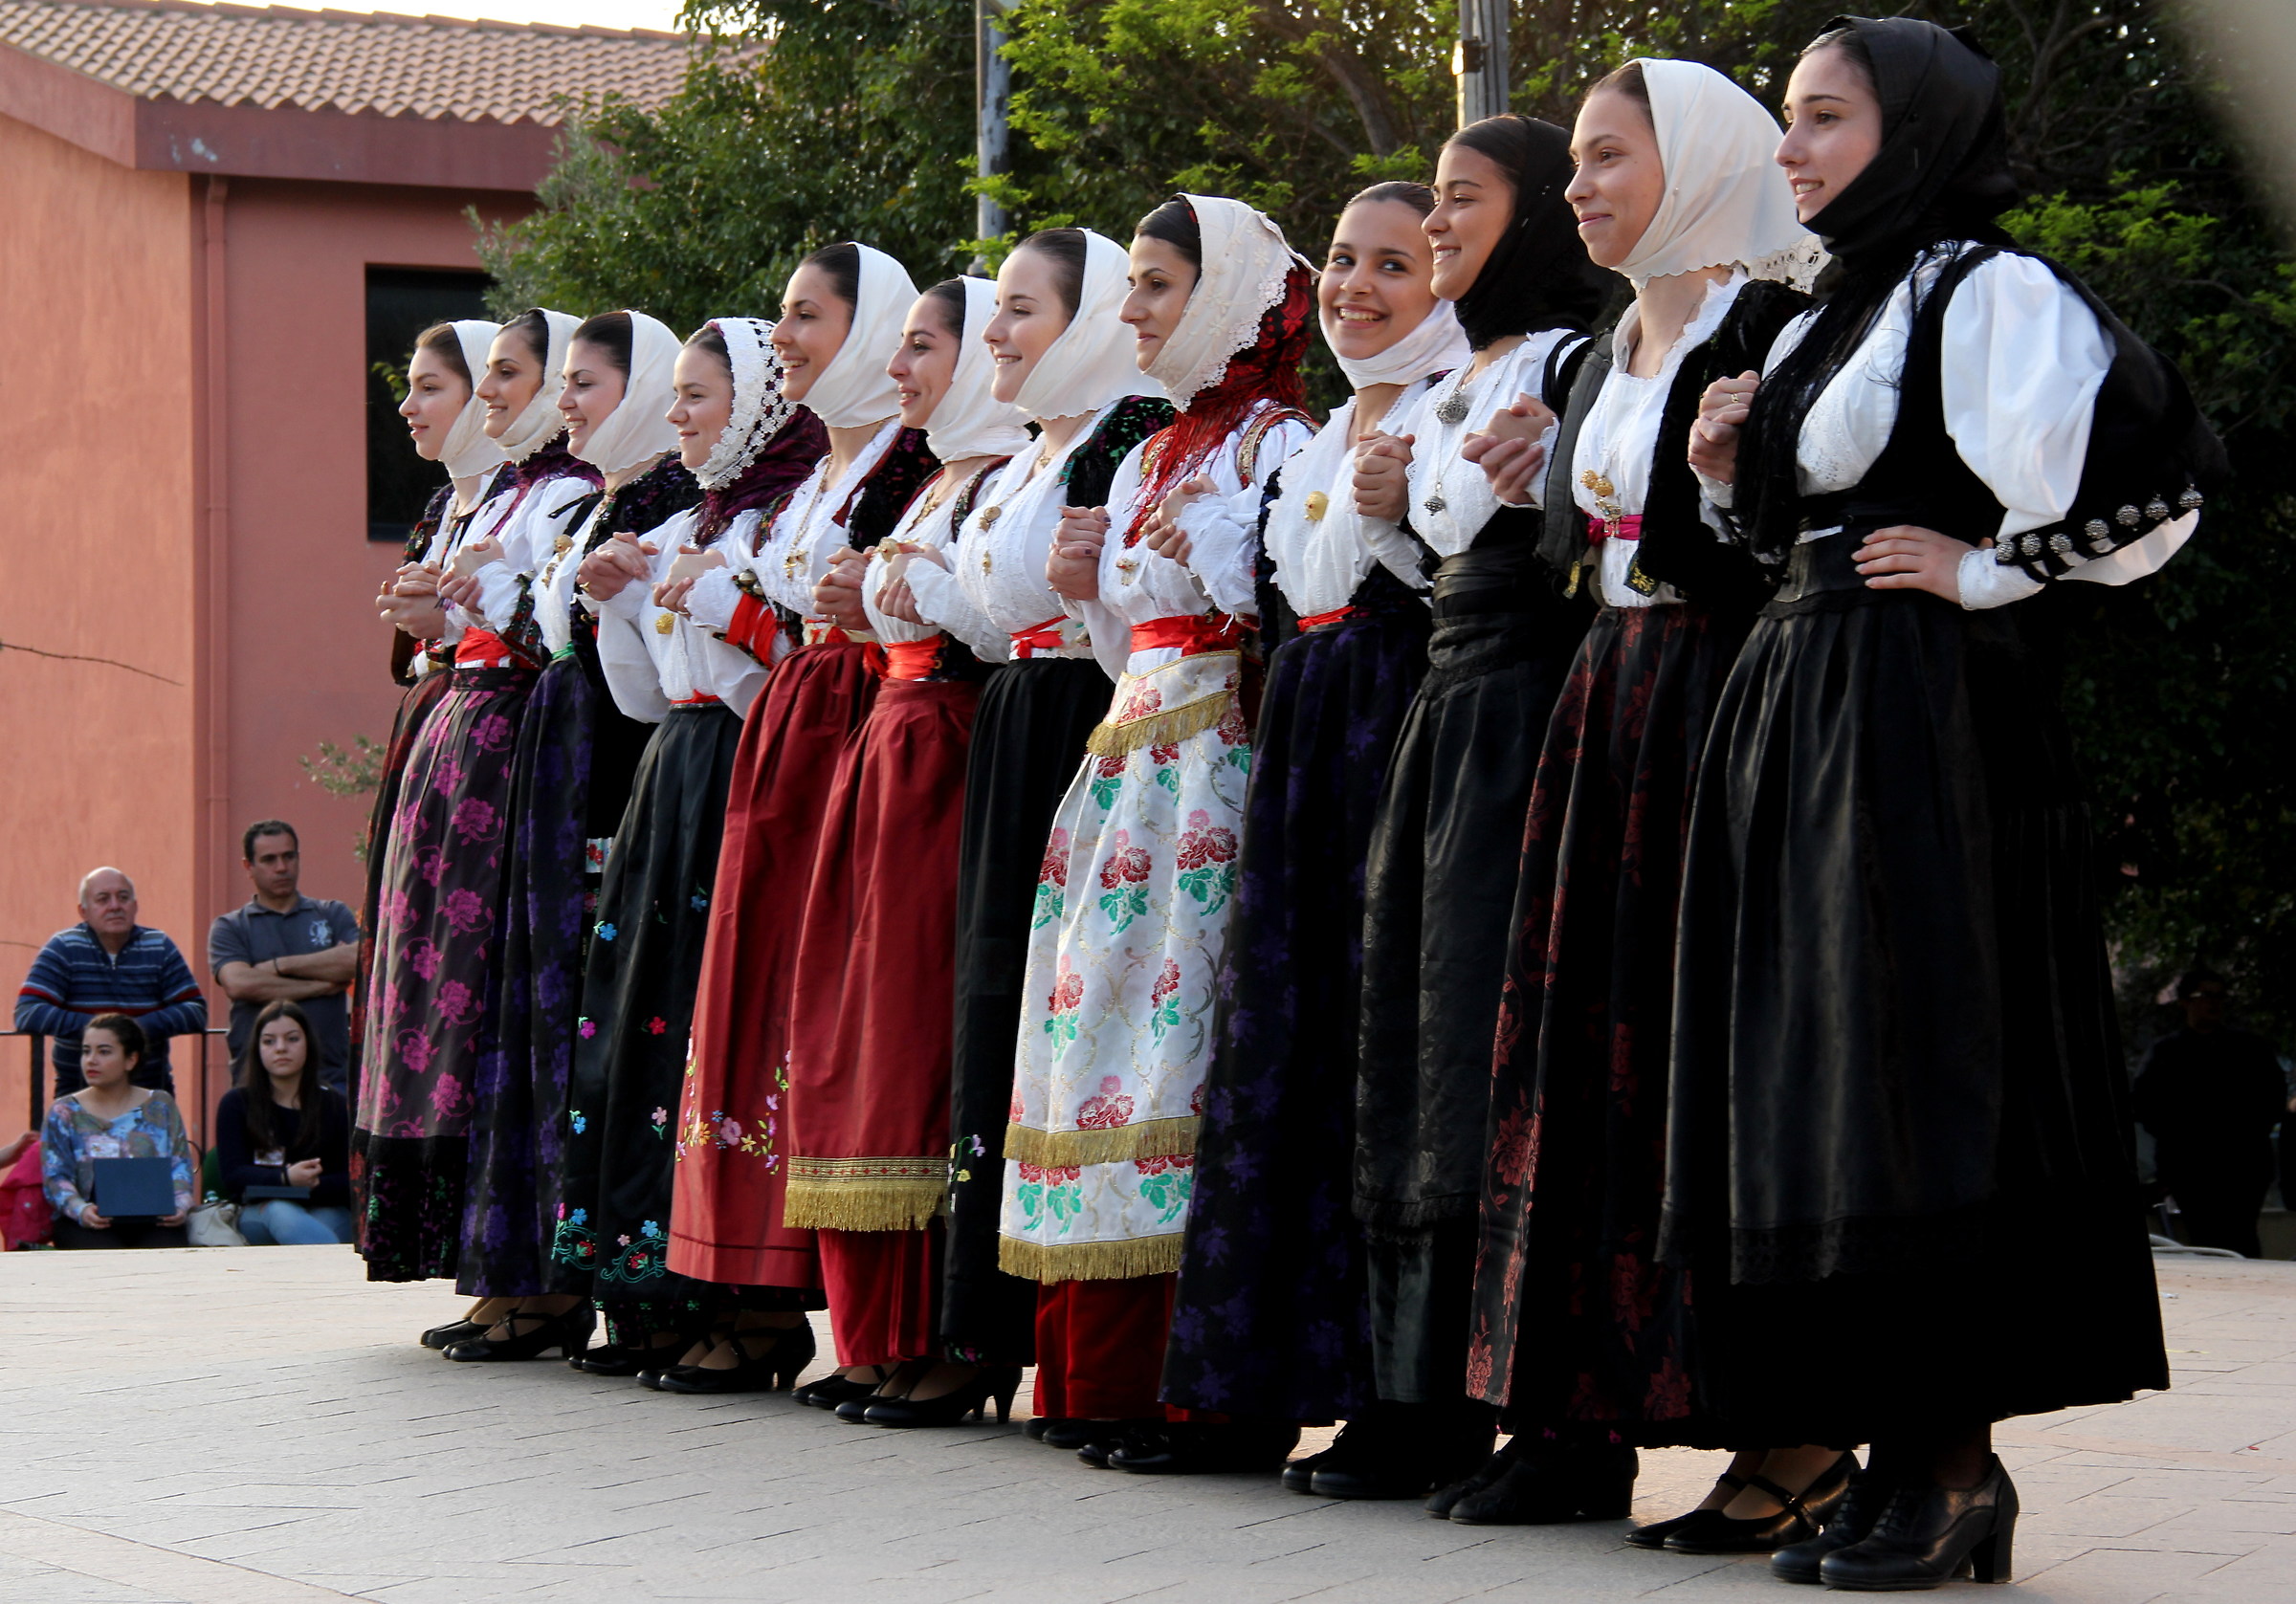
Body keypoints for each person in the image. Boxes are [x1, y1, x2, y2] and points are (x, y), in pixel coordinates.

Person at [1671, 17, 2219, 1589]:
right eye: (1789, 120)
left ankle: (1950, 1466)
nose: (1794, 150)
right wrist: (1725, 465)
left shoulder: (1988, 289)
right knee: (1818, 1083)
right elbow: (1768, 530)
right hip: (1800, 700)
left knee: (1915, 1067)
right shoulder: (1814, 315)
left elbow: (2154, 478)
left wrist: (1993, 568)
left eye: (1826, 119)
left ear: (1912, 132)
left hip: (1917, 718)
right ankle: (1890, 1452)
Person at [1457, 59, 1841, 1544]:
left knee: (1713, 1064)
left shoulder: (1774, 330)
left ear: (1697, 165)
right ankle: (1576, 1417)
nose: (1584, 189)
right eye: (1579, 169)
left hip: (1717, 702)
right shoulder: (1607, 344)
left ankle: (1789, 1437)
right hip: (1607, 698)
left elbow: (1773, 540)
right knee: (1583, 1058)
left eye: (1612, 159)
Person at [1004, 193, 1315, 1475]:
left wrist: (1231, 564)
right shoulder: (1145, 454)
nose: (1130, 309)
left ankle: (1195, 1385)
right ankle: (1099, 1371)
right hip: (1130, 758)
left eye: (1156, 286)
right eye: (1127, 285)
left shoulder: (1281, 443)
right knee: (1099, 1048)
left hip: (1214, 766)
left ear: (1231, 293)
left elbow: (1286, 619)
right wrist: (1087, 596)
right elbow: (1127, 644)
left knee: (1181, 1052)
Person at [1159, 184, 1466, 1448]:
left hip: (1398, 718)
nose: (1356, 286)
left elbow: (1497, 581)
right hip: (1309, 723)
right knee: (1286, 1047)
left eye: (1395, 264)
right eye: (1341, 260)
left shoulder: (1461, 409)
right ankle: (1265, 1380)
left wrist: (1416, 516)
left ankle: (1404, 1396)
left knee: (1379, 1049)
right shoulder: (1320, 439)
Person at [1344, 113, 1606, 1512]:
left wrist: (1551, 475)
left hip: (1524, 703)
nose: (1440, 224)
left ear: (1541, 217)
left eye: (1464, 200)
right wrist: (1389, 504)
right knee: (1417, 1030)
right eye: (1435, 199)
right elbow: (1424, 553)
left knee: (1497, 1036)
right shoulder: (1464, 369)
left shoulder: (1572, 360)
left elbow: (1596, 528)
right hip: (1451, 697)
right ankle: (1420, 1395)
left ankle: (1548, 1416)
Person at [906, 227, 1170, 1408]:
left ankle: (1041, 1335)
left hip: (1077, 712)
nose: (997, 335)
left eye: (1022, 310)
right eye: (999, 311)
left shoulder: (1121, 437)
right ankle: (977, 1327)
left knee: (1049, 1014)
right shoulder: (1023, 456)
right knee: (988, 1012)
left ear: (1091, 317)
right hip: (1014, 715)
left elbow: (1112, 601)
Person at [664, 245, 934, 1391]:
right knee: (757, 1011)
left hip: (852, 732)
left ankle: (839, 1310)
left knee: (823, 1012)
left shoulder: (906, 465)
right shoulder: (821, 480)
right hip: (792, 739)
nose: (784, 340)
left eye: (806, 317)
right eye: (778, 319)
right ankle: (755, 1286)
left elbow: (894, 629)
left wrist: (738, 610)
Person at [561, 308, 840, 1381]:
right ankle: (663, 1294)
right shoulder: (687, 527)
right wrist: (620, 609)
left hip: (749, 775)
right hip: (672, 777)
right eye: (672, 394)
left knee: (723, 1029)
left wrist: (724, 609)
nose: (676, 414)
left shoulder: (784, 526)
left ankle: (756, 1307)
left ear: (756, 406)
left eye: (697, 395)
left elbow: (788, 682)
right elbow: (639, 699)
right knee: (647, 1022)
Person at [435, 310, 708, 1362]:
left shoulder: (668, 504)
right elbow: (565, 645)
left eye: (584, 385)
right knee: (573, 1038)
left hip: (625, 776)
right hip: (579, 779)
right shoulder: (599, 510)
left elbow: (629, 676)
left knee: (627, 1032)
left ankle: (645, 1297)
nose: (564, 406)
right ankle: (559, 1279)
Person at [777, 275, 1027, 1422]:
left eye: (926, 347)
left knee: (925, 1036)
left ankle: (946, 1329)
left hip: (945, 753)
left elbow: (995, 623)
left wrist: (896, 596)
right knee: (863, 1034)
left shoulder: (1010, 480)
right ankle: (877, 1331)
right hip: (887, 752)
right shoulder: (936, 487)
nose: (903, 368)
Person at [355, 315, 551, 1301]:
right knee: (419, 985)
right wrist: (425, 627)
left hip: (496, 752)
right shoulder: (453, 505)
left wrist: (454, 622)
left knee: (474, 992)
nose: (409, 406)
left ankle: (510, 1270)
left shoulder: (554, 497)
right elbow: (428, 646)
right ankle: (460, 1258)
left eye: (433, 386)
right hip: (440, 740)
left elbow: (552, 634)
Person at [2135, 969, 2288, 1259]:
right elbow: (2147, 1105)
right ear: (2185, 1002)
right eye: (2205, 995)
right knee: (2207, 1241)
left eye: (2219, 996)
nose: (2213, 1003)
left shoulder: (2249, 1049)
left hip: (2243, 1165)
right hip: (2191, 1168)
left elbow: (2271, 1098)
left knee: (2241, 1238)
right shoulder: (2167, 1053)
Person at [17, 868, 207, 1098]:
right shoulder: (64, 948)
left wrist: (132, 1031)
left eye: (123, 897)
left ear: (135, 906)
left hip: (148, 1090)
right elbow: (28, 1012)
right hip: (79, 1091)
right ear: (83, 911)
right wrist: (100, 1032)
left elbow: (195, 1011)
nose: (115, 905)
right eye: (103, 899)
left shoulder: (159, 946)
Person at [210, 822, 361, 1093]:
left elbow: (357, 961)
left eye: (288, 856)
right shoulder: (230, 927)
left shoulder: (332, 913)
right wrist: (320, 985)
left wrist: (279, 966)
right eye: (269, 859)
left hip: (330, 1080)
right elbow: (240, 983)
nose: (281, 867)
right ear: (249, 867)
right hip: (256, 1085)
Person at [41, 1015, 195, 1249]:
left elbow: (179, 1165)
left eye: (104, 1052)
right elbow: (55, 1176)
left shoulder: (160, 1105)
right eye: (86, 1051)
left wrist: (181, 1205)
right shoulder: (64, 1111)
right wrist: (81, 1210)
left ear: (131, 1059)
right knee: (102, 1256)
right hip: (88, 1219)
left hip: (154, 1217)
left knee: (166, 1255)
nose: (91, 1061)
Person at [213, 1000, 355, 1245]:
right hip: (260, 1209)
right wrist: (285, 1179)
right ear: (257, 1048)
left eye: (292, 1039)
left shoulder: (333, 1104)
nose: (281, 1048)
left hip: (325, 1204)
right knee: (283, 1213)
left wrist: (313, 1183)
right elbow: (234, 1175)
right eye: (269, 1041)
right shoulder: (236, 1103)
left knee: (327, 1222)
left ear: (308, 1044)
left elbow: (350, 1176)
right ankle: (333, 1281)